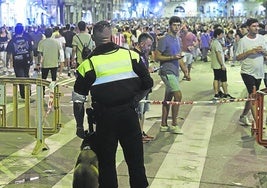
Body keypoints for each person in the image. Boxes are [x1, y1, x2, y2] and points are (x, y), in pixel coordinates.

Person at [72, 20, 153, 188]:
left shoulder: (88, 64)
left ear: (93, 38)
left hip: (105, 119)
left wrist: (80, 126)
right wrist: (134, 101)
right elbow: (148, 84)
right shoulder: (131, 56)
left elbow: (78, 101)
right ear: (112, 37)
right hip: (129, 116)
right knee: (136, 162)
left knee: (107, 164)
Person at [154, 16, 189, 134]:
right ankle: (174, 124)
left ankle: (163, 124)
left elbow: (178, 57)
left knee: (168, 98)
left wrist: (185, 71)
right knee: (178, 95)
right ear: (169, 25)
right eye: (174, 25)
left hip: (175, 71)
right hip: (166, 71)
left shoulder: (177, 40)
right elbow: (157, 56)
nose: (177, 27)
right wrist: (171, 57)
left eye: (178, 25)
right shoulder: (164, 39)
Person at [236, 18, 267, 126]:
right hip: (247, 72)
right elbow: (238, 57)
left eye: (257, 26)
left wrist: (263, 52)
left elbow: (266, 53)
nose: (256, 28)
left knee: (252, 96)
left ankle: (243, 116)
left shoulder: (261, 38)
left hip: (259, 72)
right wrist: (250, 52)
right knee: (253, 95)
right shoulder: (243, 41)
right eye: (254, 26)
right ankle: (258, 122)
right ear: (248, 28)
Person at [133, 32, 154, 143]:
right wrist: (148, 70)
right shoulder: (134, 55)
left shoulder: (143, 55)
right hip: (139, 90)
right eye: (148, 45)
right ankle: (138, 135)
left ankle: (141, 132)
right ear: (141, 44)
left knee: (143, 112)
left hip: (145, 89)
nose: (149, 48)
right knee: (139, 113)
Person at [6, 23, 33, 99]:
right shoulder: (27, 39)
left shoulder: (12, 40)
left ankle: (23, 95)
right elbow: (31, 51)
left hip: (17, 62)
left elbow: (8, 53)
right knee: (26, 76)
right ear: (22, 30)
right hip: (26, 60)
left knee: (20, 78)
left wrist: (7, 62)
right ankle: (28, 93)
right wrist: (31, 59)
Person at [210, 28, 235, 100]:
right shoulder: (217, 43)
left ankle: (217, 94)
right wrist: (222, 65)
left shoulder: (214, 42)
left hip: (215, 65)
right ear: (218, 35)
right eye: (222, 34)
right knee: (224, 80)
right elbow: (218, 54)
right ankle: (226, 93)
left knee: (216, 79)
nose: (223, 35)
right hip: (218, 65)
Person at [37, 28, 61, 95]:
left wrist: (38, 63)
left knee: (43, 79)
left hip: (45, 63)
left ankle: (43, 92)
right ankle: (53, 92)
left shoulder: (41, 42)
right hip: (54, 62)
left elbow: (40, 54)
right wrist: (58, 59)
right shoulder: (56, 42)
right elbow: (59, 52)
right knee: (54, 79)